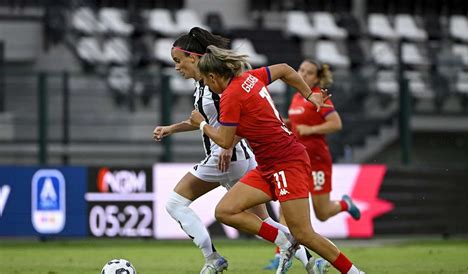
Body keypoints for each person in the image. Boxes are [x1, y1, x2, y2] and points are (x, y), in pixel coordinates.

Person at [153, 27, 321, 274]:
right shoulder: (203, 84)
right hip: (237, 158)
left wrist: (227, 145)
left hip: (225, 158)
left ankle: (213, 258)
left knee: (175, 204)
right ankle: (311, 261)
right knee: (264, 221)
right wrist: (171, 129)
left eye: (179, 61)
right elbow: (203, 120)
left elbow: (233, 118)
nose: (177, 67)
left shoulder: (216, 85)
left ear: (194, 58)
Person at [190, 45, 365, 274]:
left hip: (286, 162)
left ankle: (354, 272)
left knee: (304, 233)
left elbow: (224, 140)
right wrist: (309, 93)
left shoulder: (230, 96)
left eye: (205, 80)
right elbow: (284, 69)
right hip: (268, 165)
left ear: (213, 76)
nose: (206, 85)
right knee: (225, 211)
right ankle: (285, 241)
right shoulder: (249, 77)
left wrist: (200, 124)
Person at [264, 60, 361, 270]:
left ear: (316, 78)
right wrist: (288, 124)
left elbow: (336, 123)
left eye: (309, 73)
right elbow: (297, 124)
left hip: (317, 161)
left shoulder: (318, 96)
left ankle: (345, 204)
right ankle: (281, 254)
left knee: (323, 213)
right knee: (285, 205)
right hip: (297, 160)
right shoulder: (297, 97)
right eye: (301, 71)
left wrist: (311, 129)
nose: (304, 75)